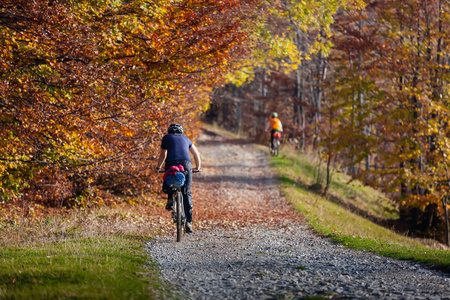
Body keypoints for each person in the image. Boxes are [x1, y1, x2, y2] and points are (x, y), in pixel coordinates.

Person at [155, 123, 201, 233]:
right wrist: (198, 168)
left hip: (171, 163)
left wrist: (158, 167)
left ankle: (170, 198)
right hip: (186, 165)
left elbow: (163, 155)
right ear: (181, 132)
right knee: (186, 192)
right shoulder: (186, 138)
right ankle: (189, 222)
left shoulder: (166, 138)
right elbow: (196, 155)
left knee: (169, 180)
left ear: (169, 131)